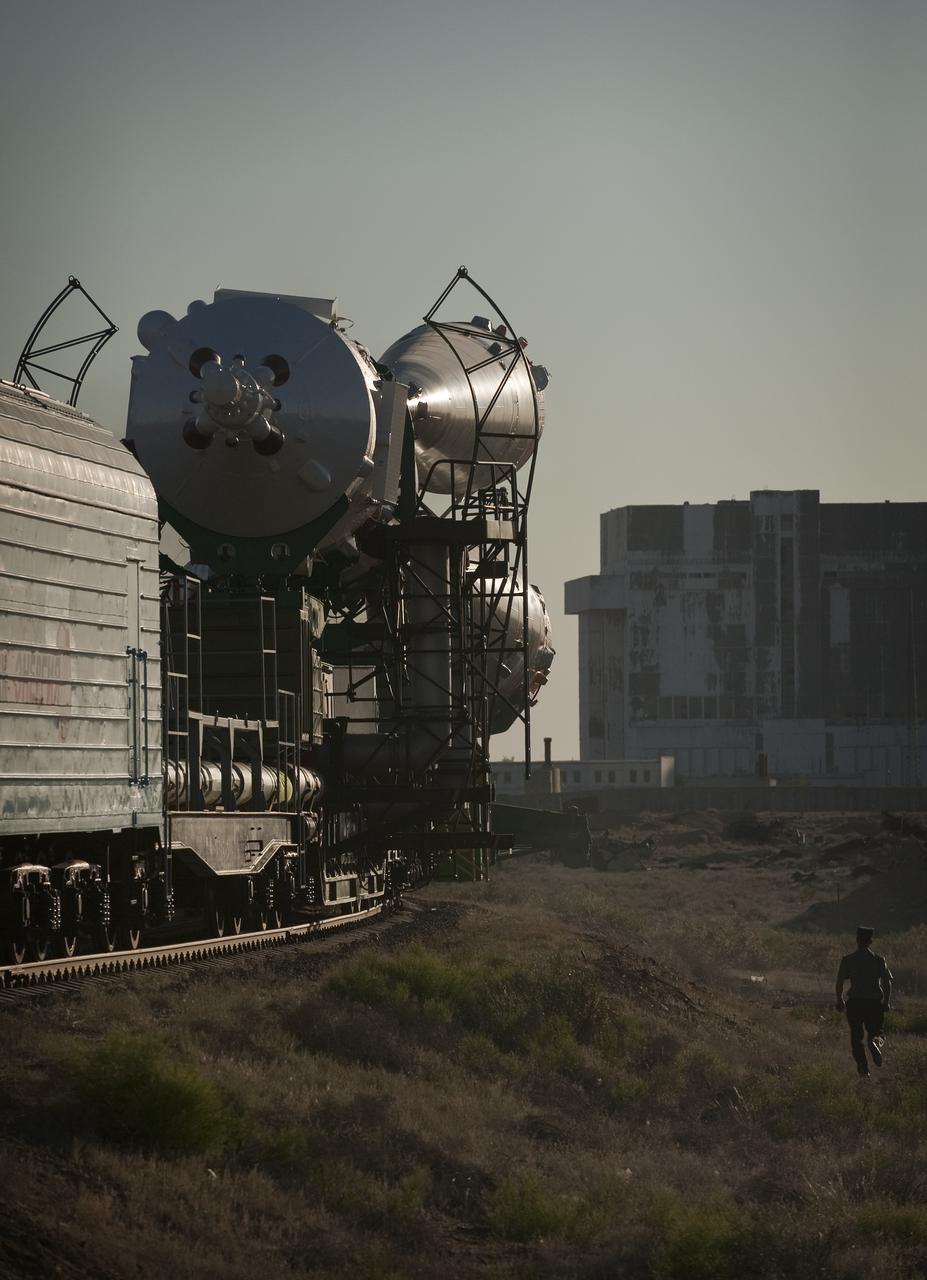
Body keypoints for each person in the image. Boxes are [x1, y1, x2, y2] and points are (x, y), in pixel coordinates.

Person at [835, 926, 893, 1078]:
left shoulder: (848, 960)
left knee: (856, 1038)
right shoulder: (879, 960)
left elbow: (840, 981)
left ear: (857, 941)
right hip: (874, 1004)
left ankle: (863, 1069)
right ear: (870, 942)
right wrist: (886, 1002)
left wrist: (840, 999)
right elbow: (887, 983)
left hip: (855, 1004)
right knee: (878, 1033)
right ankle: (875, 1044)